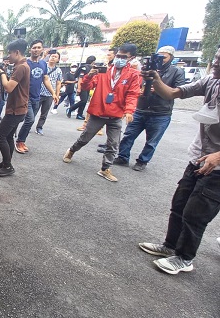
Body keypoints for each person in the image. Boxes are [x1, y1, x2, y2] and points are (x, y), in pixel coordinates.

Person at [138, 46, 220, 275]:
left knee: (196, 214)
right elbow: (172, 93)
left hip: (217, 166)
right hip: (199, 157)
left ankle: (184, 258)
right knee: (180, 204)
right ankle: (170, 247)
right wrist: (155, 78)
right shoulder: (210, 82)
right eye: (215, 57)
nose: (215, 63)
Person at [62, 43, 141, 182]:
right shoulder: (104, 71)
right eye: (118, 56)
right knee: (85, 138)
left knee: (113, 144)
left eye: (124, 57)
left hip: (116, 114)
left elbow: (132, 94)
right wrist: (88, 76)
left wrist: (129, 111)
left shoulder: (133, 75)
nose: (120, 59)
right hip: (98, 112)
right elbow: (87, 86)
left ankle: (105, 168)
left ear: (131, 58)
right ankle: (72, 150)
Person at [115, 46, 185, 171]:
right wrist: (139, 91)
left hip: (161, 112)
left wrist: (159, 89)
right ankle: (122, 157)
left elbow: (179, 91)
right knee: (128, 135)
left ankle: (142, 161)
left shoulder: (176, 72)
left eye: (164, 57)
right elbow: (134, 85)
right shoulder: (145, 69)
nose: (161, 59)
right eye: (158, 56)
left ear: (171, 58)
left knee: (152, 141)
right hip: (140, 108)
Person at [0, 39, 31, 177]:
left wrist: (2, 73)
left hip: (16, 109)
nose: (8, 56)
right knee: (8, 136)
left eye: (10, 53)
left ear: (17, 52)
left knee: (0, 137)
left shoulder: (21, 67)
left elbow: (8, 87)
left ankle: (8, 166)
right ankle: (6, 162)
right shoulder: (23, 66)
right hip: (18, 108)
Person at [14, 40, 57, 153]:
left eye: (38, 47)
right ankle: (19, 141)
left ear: (42, 50)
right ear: (30, 49)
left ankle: (21, 140)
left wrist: (53, 93)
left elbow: (45, 79)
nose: (36, 49)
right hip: (25, 97)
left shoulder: (43, 64)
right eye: (34, 47)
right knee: (30, 120)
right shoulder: (25, 63)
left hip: (36, 97)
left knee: (28, 120)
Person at [35, 51, 63, 135]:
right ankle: (28, 125)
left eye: (55, 57)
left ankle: (39, 127)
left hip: (50, 95)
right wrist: (44, 55)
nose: (53, 58)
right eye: (52, 56)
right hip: (39, 93)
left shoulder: (58, 70)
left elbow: (58, 83)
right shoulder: (43, 66)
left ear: (58, 60)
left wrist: (57, 95)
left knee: (44, 113)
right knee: (33, 111)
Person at [67, 55, 97, 120]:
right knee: (83, 100)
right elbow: (80, 78)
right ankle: (70, 109)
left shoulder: (92, 68)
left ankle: (79, 114)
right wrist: (79, 88)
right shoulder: (84, 68)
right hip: (82, 85)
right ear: (93, 61)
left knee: (85, 100)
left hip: (88, 86)